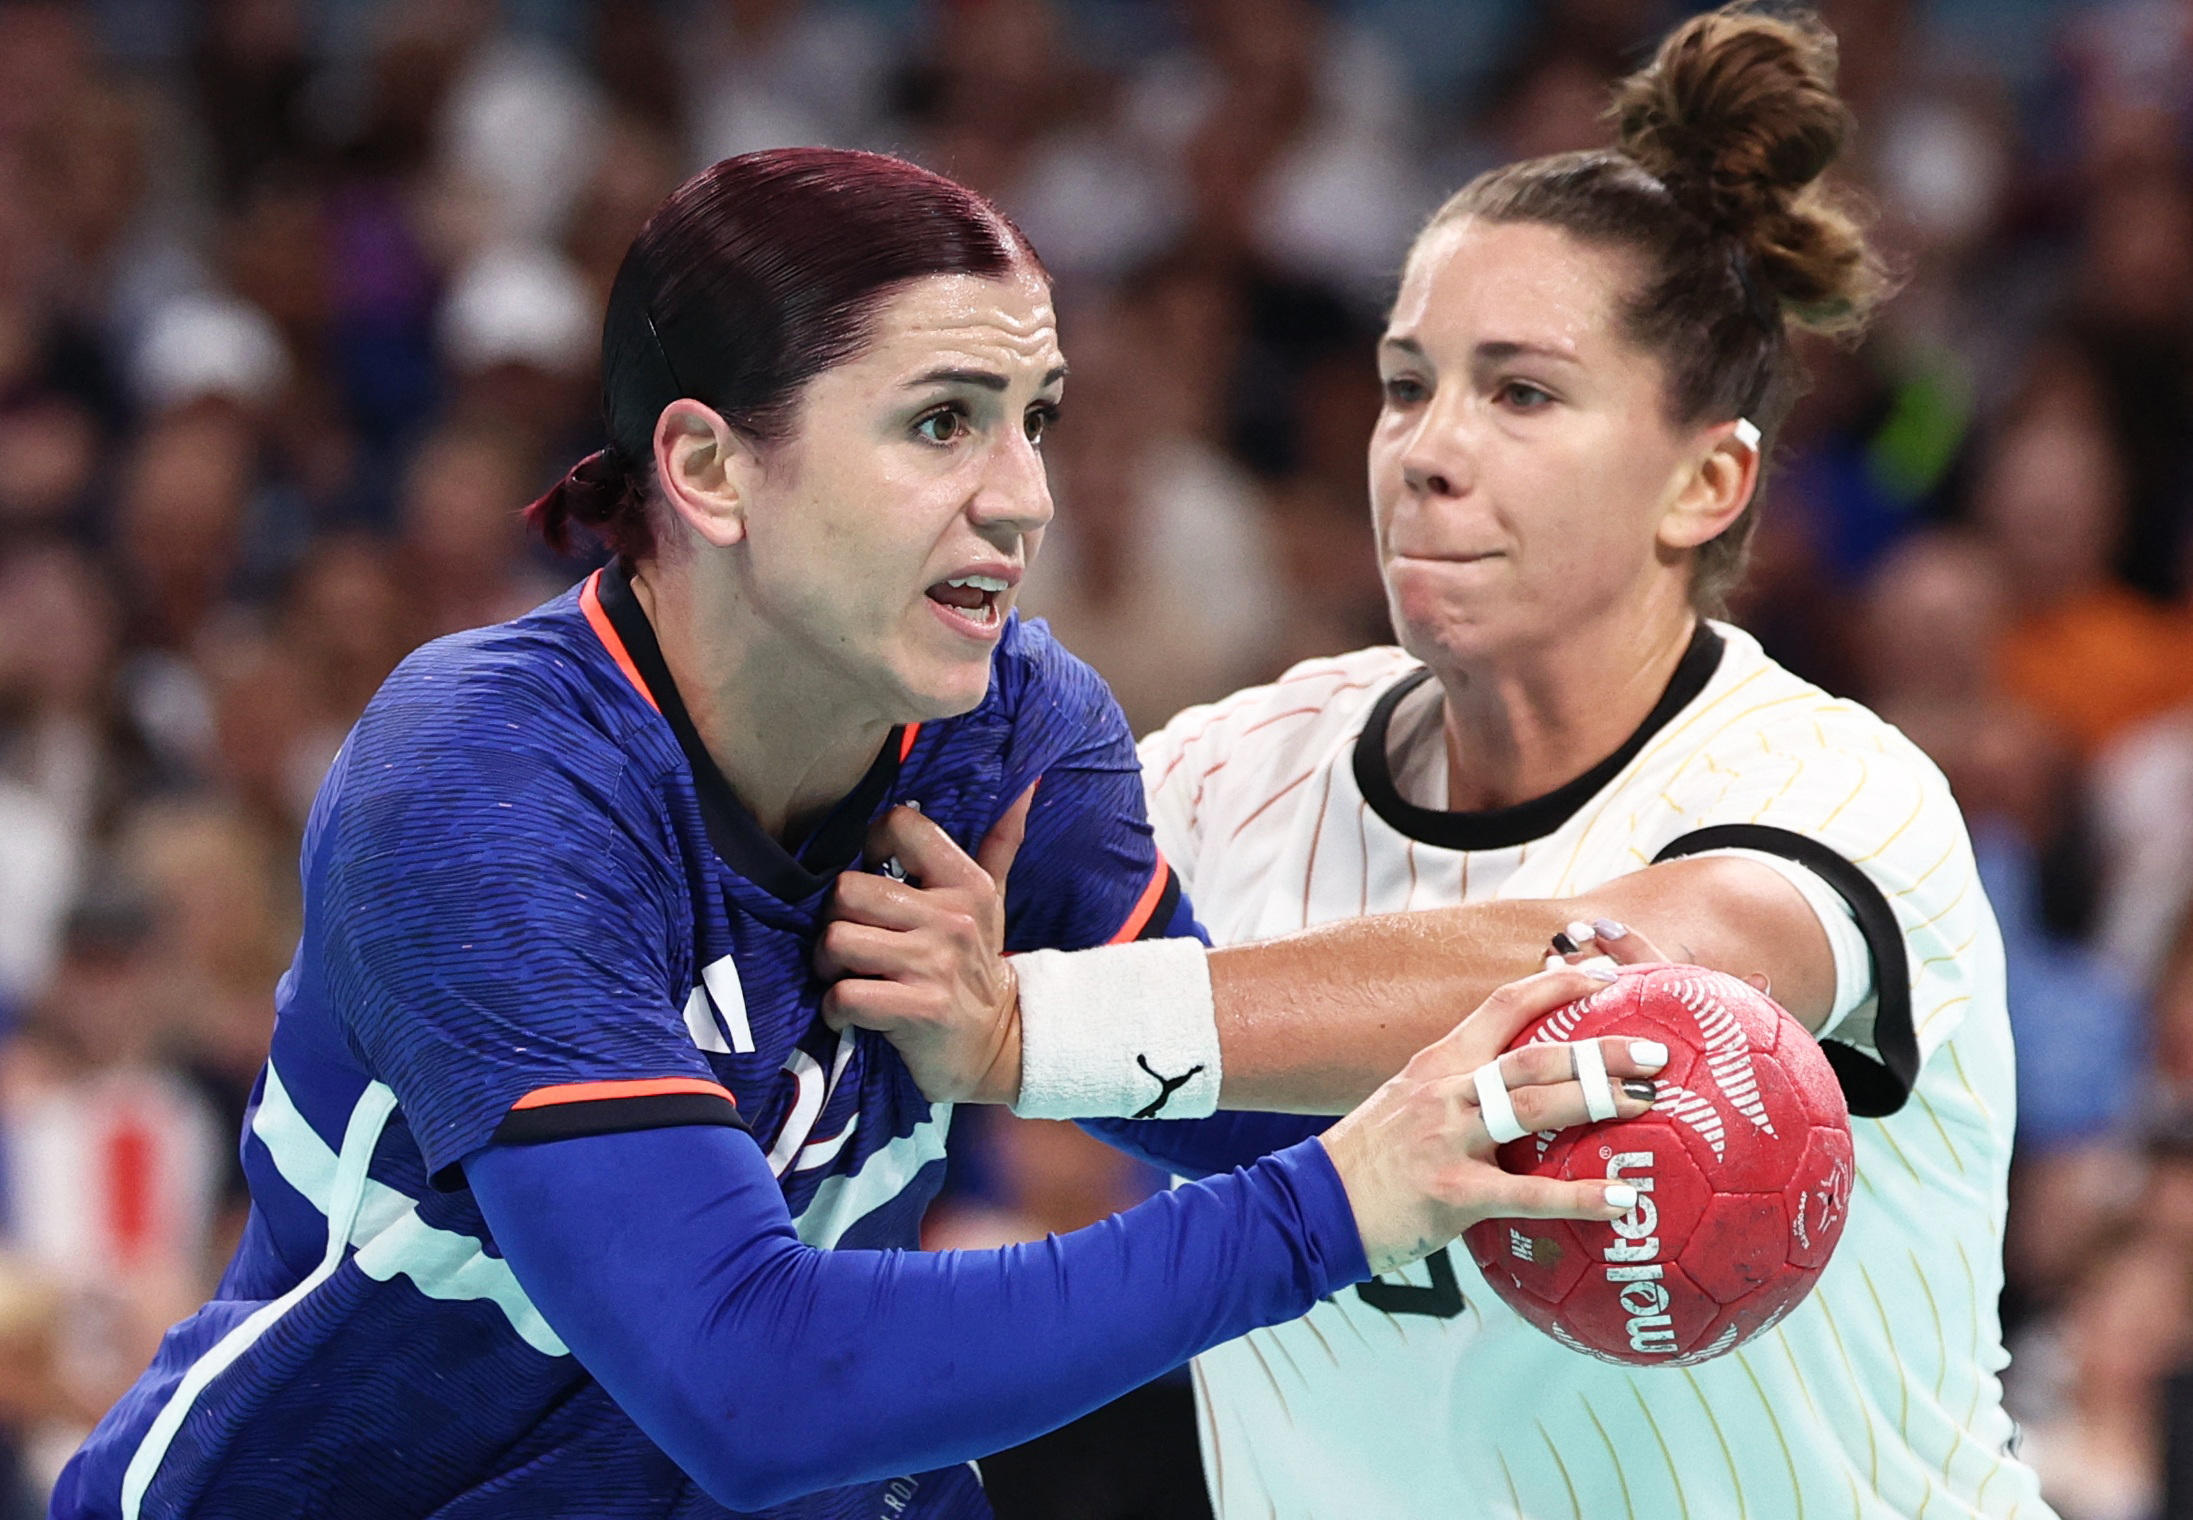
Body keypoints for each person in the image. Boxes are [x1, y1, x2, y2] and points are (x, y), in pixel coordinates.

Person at [49, 149, 1656, 1520]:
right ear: (705, 468)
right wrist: (1337, 1209)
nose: (1024, 497)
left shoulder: (1019, 728)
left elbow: (1220, 1102)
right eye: (942, 424)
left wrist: (1567, 1108)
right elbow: (750, 1383)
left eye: (1034, 417)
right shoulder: (486, 782)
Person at [822, 10, 2050, 1517]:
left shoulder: (1835, 794)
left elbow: (1629, 979)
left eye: (1519, 393)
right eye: (1408, 384)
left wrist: (1026, 1028)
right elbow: (859, 864)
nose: (1424, 449)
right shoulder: (1220, 781)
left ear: (1704, 480)